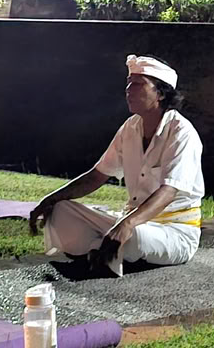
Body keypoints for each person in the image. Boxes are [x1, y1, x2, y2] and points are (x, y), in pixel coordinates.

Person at [28, 55, 203, 278]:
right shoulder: (130, 128)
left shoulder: (182, 133)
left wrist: (127, 224)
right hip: (128, 220)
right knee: (61, 210)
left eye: (138, 84)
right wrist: (50, 199)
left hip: (173, 231)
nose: (128, 89)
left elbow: (168, 191)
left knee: (136, 237)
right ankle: (104, 251)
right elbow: (97, 176)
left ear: (160, 93)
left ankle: (100, 249)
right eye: (128, 83)